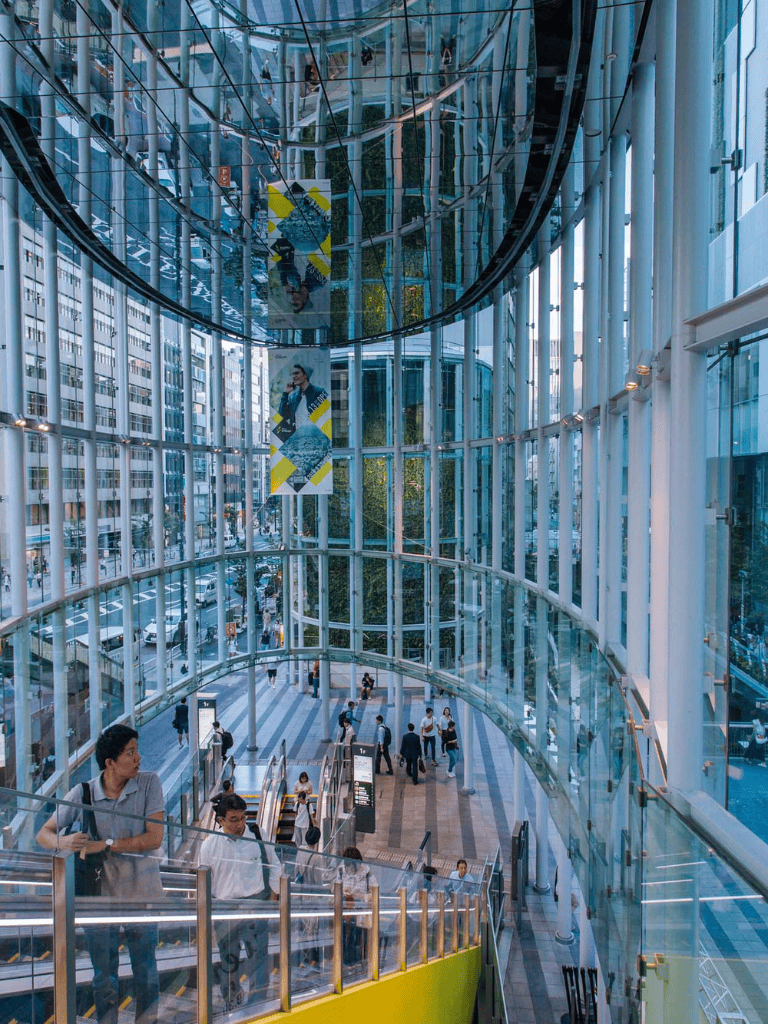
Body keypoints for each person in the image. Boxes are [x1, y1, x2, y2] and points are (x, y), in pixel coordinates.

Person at [36, 724, 164, 1024]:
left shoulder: (148, 783)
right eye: (130, 753)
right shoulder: (83, 793)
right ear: (110, 762)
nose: (138, 758)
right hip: (99, 900)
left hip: (141, 897)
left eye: (136, 751)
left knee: (146, 972)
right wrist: (66, 841)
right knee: (104, 977)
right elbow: (44, 834)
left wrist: (106, 845)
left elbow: (154, 838)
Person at [198, 793, 282, 1008]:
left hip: (255, 905)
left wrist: (272, 897)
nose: (240, 824)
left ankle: (257, 1005)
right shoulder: (209, 845)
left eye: (243, 817)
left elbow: (275, 865)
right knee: (228, 961)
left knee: (259, 960)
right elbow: (204, 882)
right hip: (224, 908)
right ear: (221, 820)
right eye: (233, 820)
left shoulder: (257, 835)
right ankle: (232, 1002)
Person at [337, 847, 373, 966]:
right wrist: (343, 891)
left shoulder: (367, 872)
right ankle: (346, 961)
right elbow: (334, 886)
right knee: (344, 935)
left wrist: (361, 896)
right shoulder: (342, 869)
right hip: (346, 910)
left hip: (360, 911)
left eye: (351, 866)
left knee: (358, 937)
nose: (349, 869)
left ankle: (359, 961)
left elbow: (374, 892)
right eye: (347, 866)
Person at [277, 363, 329, 436]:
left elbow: (326, 416)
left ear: (305, 375)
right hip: (297, 438)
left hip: (315, 437)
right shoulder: (293, 397)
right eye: (292, 374)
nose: (294, 376)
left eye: (297, 373)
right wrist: (285, 394)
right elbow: (282, 416)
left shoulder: (319, 392)